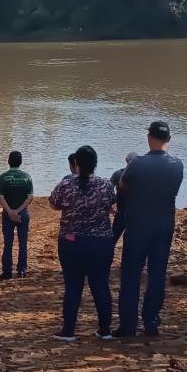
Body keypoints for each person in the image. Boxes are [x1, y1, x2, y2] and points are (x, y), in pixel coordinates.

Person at [114, 122, 184, 337]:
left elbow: (123, 186)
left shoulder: (137, 164)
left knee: (131, 274)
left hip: (138, 223)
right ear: (169, 139)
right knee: (157, 274)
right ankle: (151, 322)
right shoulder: (177, 165)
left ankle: (128, 324)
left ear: (149, 138)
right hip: (164, 224)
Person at [49, 145, 116, 342]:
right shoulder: (105, 185)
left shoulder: (66, 184)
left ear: (76, 164)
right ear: (96, 164)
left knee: (73, 286)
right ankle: (105, 330)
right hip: (101, 242)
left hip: (72, 242)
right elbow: (112, 204)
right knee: (101, 285)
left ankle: (68, 331)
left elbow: (53, 203)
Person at [0, 151, 34, 279]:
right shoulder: (27, 177)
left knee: (8, 243)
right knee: (23, 242)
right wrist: (18, 211)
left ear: (8, 161)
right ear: (21, 162)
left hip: (8, 214)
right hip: (22, 213)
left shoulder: (3, 177)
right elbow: (30, 197)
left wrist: (10, 211)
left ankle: (7, 271)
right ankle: (22, 270)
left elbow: (1, 197)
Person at [110, 151, 140, 242]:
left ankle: (105, 255)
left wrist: (110, 206)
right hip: (136, 214)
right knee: (132, 241)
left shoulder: (118, 174)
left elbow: (108, 192)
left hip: (121, 212)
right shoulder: (143, 176)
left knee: (112, 238)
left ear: (126, 160)